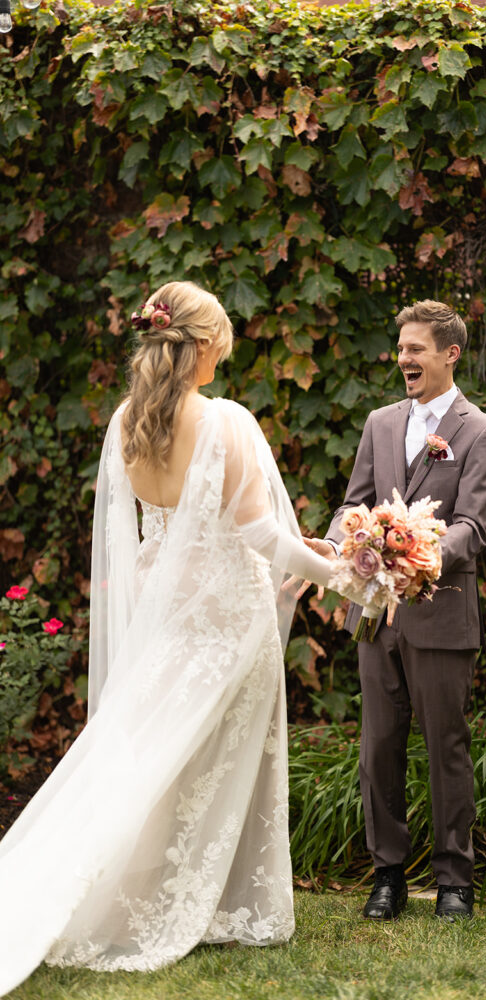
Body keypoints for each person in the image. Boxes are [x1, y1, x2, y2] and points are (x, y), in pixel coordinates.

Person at [0, 281, 366, 995]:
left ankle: (151, 891)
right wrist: (346, 577)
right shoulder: (226, 420)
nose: (222, 357)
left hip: (166, 614)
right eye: (221, 344)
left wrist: (316, 554)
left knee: (154, 754)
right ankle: (220, 903)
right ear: (201, 346)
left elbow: (149, 531)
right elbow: (260, 535)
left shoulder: (126, 421)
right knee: (225, 755)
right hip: (229, 613)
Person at [306, 300, 486, 921]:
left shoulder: (482, 431)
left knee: (446, 746)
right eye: (400, 349)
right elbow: (354, 503)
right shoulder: (380, 423)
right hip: (373, 614)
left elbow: (473, 526)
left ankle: (454, 882)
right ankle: (387, 875)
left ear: (450, 354)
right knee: (379, 747)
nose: (403, 359)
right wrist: (337, 543)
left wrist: (415, 554)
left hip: (440, 614)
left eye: (415, 349)